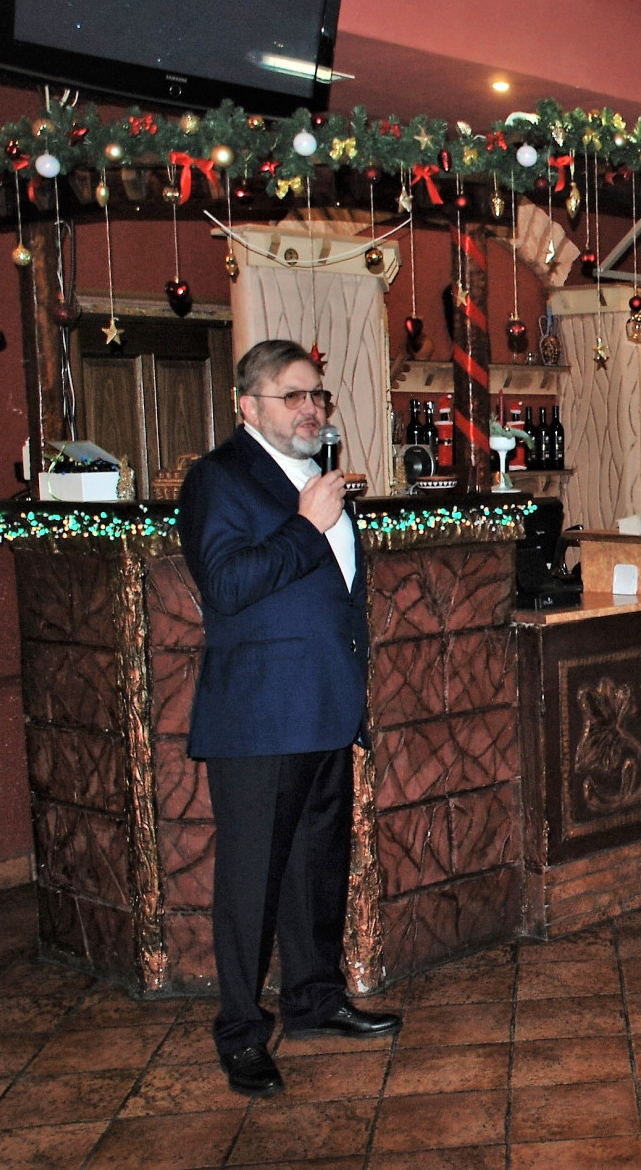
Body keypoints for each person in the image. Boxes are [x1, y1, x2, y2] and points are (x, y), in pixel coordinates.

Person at [179, 340, 401, 1098]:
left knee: (317, 871)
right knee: (250, 884)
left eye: (318, 396)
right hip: (258, 718)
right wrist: (307, 525)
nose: (312, 409)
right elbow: (228, 584)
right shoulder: (219, 479)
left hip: (326, 708)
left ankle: (313, 1000)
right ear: (248, 407)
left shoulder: (317, 478)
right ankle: (241, 1032)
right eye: (293, 396)